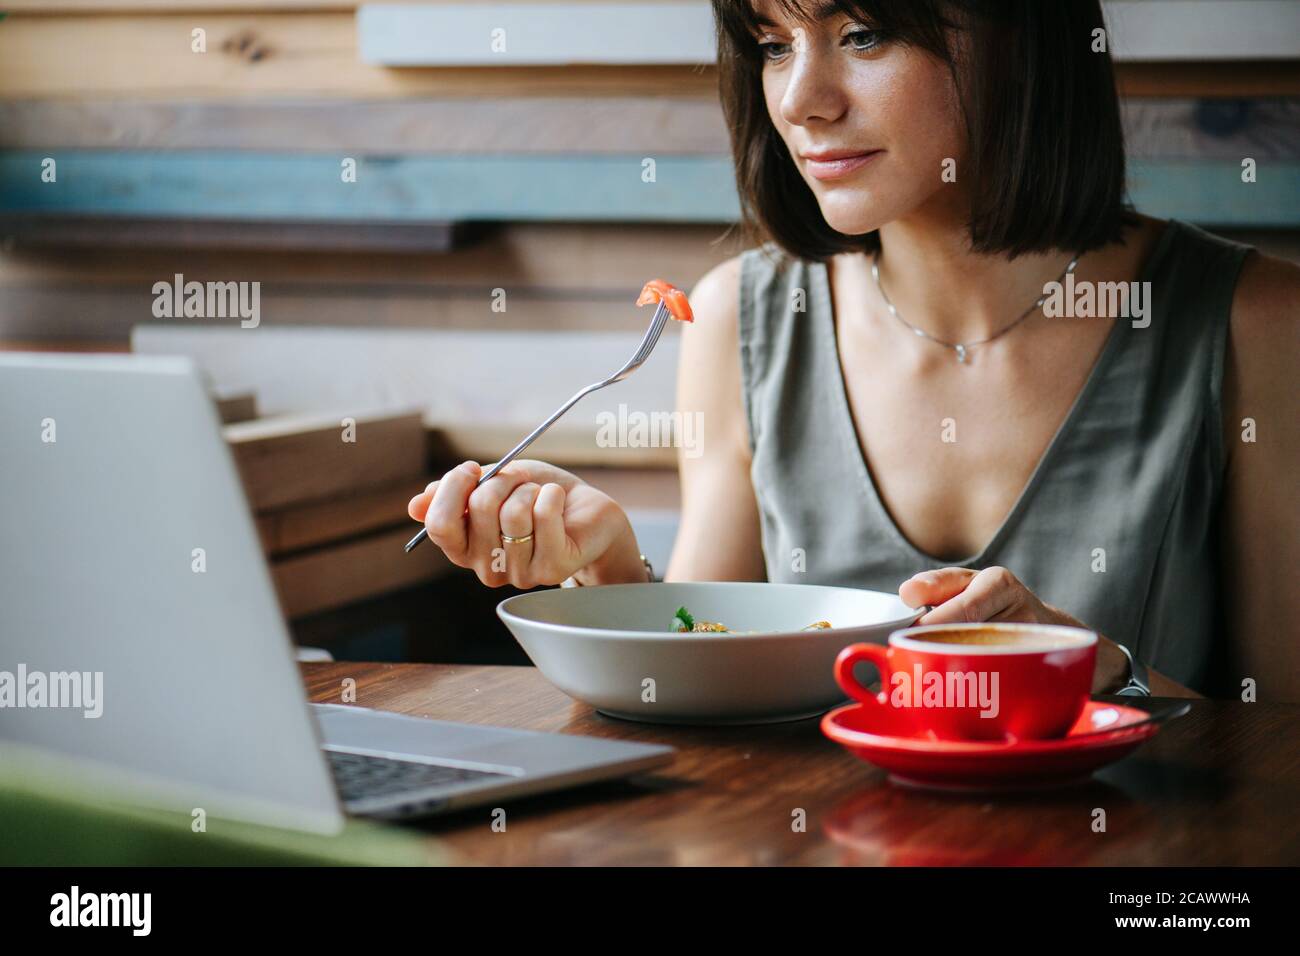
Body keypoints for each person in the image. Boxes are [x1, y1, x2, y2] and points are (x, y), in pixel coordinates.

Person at [409, 0, 1298, 700]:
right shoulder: (733, 320)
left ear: (1020, 36)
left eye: (863, 34)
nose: (801, 100)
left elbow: (1283, 751)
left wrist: (1091, 668)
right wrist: (606, 572)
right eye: (772, 42)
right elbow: (701, 695)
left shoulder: (1256, 324)